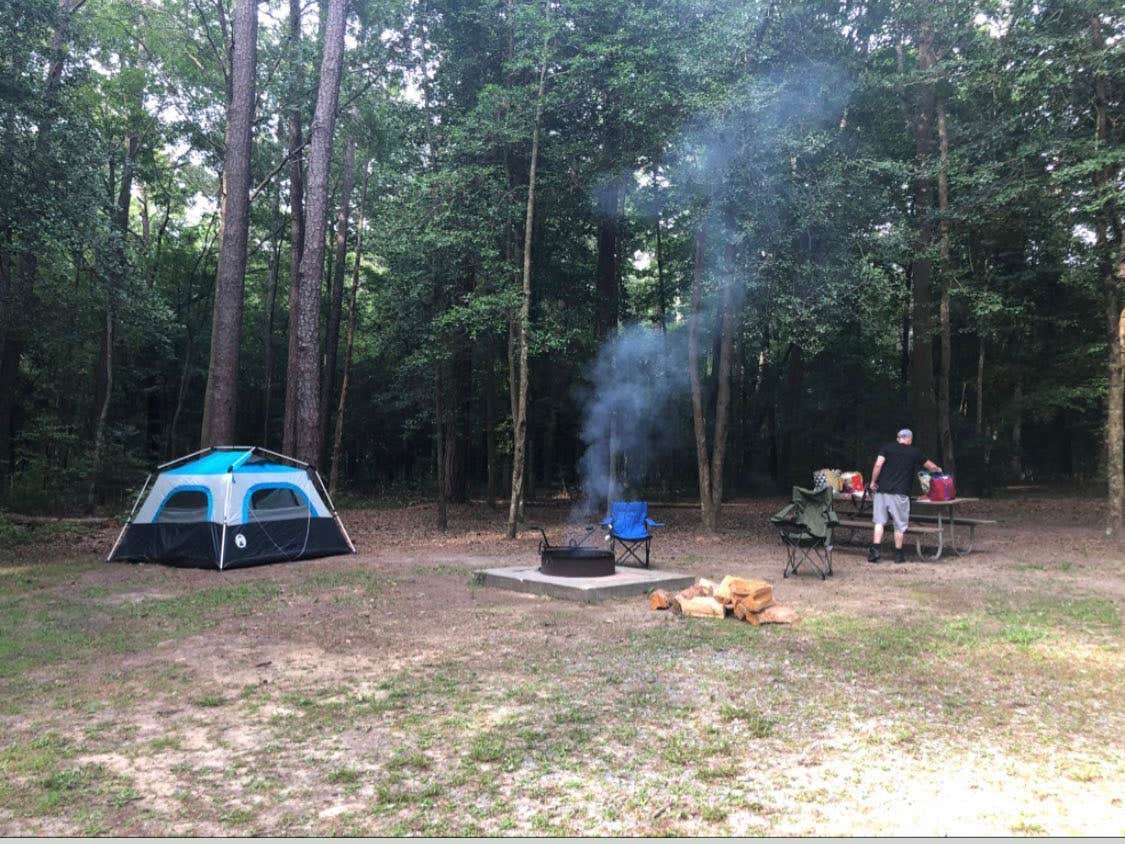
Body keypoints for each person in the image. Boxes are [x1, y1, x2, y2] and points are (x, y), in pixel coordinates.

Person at [868, 428, 941, 564]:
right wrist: (938, 470)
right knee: (899, 524)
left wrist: (873, 482)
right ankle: (898, 555)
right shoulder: (915, 452)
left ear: (898, 438)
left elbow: (878, 465)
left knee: (879, 522)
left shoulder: (886, 448)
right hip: (900, 493)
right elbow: (931, 467)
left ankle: (875, 552)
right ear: (910, 439)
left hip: (881, 491)